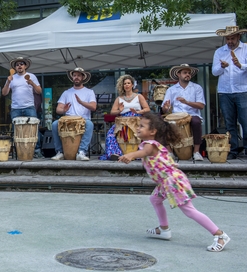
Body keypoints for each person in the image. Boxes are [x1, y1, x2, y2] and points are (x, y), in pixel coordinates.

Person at [118, 112, 231, 252]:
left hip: (172, 181)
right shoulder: (152, 144)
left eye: (142, 126)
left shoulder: (149, 145)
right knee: (155, 199)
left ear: (153, 131)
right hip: (165, 182)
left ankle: (220, 235)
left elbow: (144, 152)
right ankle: (164, 229)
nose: (138, 128)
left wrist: (131, 155)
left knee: (189, 210)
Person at [212, 26, 247, 160]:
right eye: (228, 38)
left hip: (243, 90)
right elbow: (214, 72)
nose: (230, 41)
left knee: (245, 121)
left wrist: (240, 66)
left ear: (238, 37)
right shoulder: (220, 52)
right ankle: (233, 150)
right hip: (225, 91)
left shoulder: (245, 49)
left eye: (232, 38)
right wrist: (222, 66)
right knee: (229, 122)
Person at [99, 75, 150, 160]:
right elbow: (112, 112)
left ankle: (140, 153)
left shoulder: (139, 96)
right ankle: (115, 153)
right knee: (110, 134)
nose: (126, 85)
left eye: (128, 83)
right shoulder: (119, 98)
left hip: (136, 120)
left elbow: (147, 109)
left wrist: (138, 112)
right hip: (123, 121)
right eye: (125, 83)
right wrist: (120, 110)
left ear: (132, 85)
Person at [51, 67, 97, 161]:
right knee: (55, 124)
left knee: (90, 124)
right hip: (68, 119)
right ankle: (60, 152)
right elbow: (58, 110)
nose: (76, 77)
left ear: (83, 77)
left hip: (83, 119)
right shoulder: (66, 93)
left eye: (79, 75)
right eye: (74, 75)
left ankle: (81, 152)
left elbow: (93, 107)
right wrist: (63, 110)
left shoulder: (89, 92)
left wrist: (81, 102)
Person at [161, 64, 206, 161]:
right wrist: (166, 107)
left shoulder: (197, 87)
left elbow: (201, 106)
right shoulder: (171, 89)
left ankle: (196, 152)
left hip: (192, 115)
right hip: (175, 116)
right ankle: (169, 152)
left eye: (189, 73)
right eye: (185, 73)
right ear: (178, 74)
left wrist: (186, 102)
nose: (188, 75)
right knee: (161, 123)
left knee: (196, 122)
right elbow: (164, 109)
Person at [1, 57, 43, 158]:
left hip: (29, 107)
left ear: (25, 66)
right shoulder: (12, 78)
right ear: (15, 67)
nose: (19, 65)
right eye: (17, 64)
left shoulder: (31, 76)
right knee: (17, 130)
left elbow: (39, 91)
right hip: (16, 108)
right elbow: (4, 93)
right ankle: (20, 151)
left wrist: (32, 83)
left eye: (22, 64)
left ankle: (36, 150)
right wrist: (8, 82)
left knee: (33, 129)